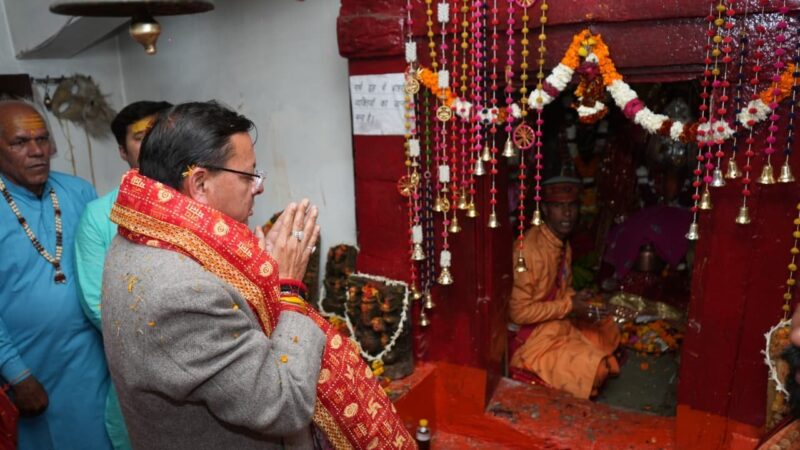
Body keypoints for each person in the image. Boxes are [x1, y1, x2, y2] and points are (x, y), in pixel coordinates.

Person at [101, 101, 412, 449]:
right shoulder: (182, 292)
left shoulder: (141, 233)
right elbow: (283, 404)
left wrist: (254, 277)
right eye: (249, 175)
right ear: (200, 184)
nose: (259, 186)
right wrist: (289, 286)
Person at [0, 99, 113, 449]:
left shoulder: (78, 191)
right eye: (20, 142)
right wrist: (16, 373)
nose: (37, 151)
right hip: (29, 366)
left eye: (42, 139)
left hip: (92, 358)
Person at [75, 100, 171, 450]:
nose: (153, 143)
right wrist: (173, 342)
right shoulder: (100, 215)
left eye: (161, 132)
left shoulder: (201, 201)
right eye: (140, 136)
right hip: (139, 373)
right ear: (121, 150)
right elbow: (97, 303)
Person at [508, 176, 621, 399]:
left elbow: (563, 290)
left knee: (609, 328)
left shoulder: (562, 243)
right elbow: (519, 313)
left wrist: (580, 301)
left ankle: (583, 357)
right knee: (597, 370)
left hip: (556, 323)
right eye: (559, 207)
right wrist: (569, 306)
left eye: (572, 206)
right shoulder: (528, 250)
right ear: (546, 210)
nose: (567, 213)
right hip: (532, 336)